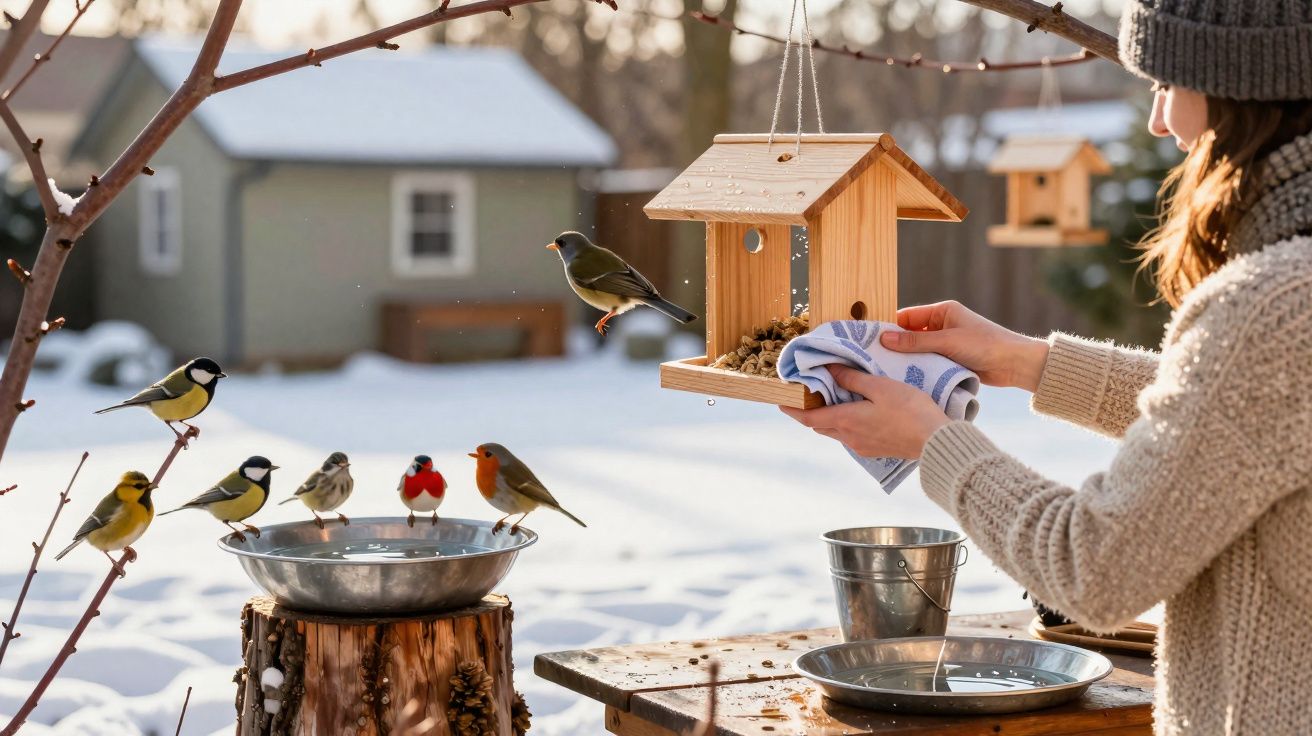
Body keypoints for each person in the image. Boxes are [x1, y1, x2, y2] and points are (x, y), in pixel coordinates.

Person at [782, 2, 1312, 734]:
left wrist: (934, 443)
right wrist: (1028, 363)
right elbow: (1252, 422)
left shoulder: (1275, 306)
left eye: (1166, 82)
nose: (1159, 120)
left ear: (1237, 87)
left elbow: (1096, 570)